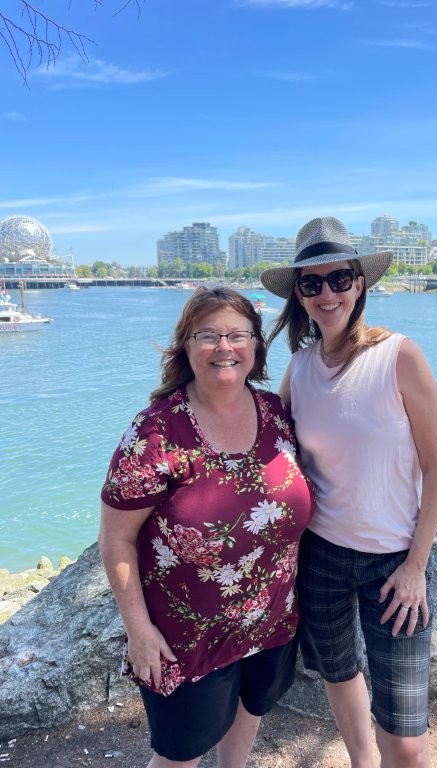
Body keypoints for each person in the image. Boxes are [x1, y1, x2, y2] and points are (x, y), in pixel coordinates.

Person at [99, 286, 315, 768]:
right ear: (186, 346)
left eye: (238, 335)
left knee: (248, 712)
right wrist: (138, 630)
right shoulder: (154, 432)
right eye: (209, 336)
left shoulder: (275, 414)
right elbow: (116, 537)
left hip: (271, 619)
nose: (224, 347)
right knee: (180, 755)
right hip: (185, 638)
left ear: (256, 346)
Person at [261, 217, 437, 768]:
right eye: (312, 283)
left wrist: (416, 565)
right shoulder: (299, 367)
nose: (326, 294)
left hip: (393, 561)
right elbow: (269, 448)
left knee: (408, 742)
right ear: (299, 294)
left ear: (360, 284)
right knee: (339, 674)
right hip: (319, 555)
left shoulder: (400, 356)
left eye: (339, 278)